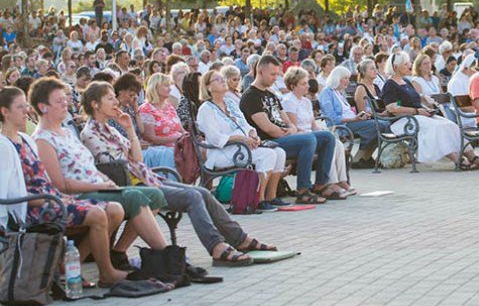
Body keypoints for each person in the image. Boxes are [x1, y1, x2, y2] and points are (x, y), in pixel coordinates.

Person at [80, 81, 274, 265]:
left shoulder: (111, 130)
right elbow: (116, 167)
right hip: (129, 185)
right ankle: (216, 246)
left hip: (143, 177)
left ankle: (240, 239)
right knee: (192, 196)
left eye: (115, 97)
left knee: (204, 193)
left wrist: (130, 129)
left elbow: (137, 159)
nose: (116, 102)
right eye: (110, 98)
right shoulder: (90, 133)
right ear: (95, 104)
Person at [29, 77, 169, 271]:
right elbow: (61, 185)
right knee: (133, 197)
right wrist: (101, 185)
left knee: (155, 194)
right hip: (77, 194)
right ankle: (168, 257)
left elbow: (89, 166)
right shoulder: (42, 139)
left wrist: (106, 181)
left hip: (98, 185)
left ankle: (91, 258)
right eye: (59, 101)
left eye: (65, 99)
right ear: (43, 107)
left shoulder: (67, 133)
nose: (66, 103)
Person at [0, 86, 129, 287]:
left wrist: (58, 194)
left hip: (51, 197)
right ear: (4, 112)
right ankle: (107, 272)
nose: (27, 111)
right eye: (20, 107)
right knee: (97, 214)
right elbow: (6, 193)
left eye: (26, 106)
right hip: (32, 207)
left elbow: (44, 177)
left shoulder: (25, 139)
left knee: (115, 209)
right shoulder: (3, 145)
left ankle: (68, 265)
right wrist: (46, 198)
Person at [240, 54, 335, 205]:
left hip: (285, 136)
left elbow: (286, 119)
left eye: (277, 74)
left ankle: (320, 185)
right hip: (269, 141)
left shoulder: (271, 94)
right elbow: (267, 128)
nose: (275, 78)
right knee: (308, 139)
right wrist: (289, 131)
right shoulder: (250, 96)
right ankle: (303, 190)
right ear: (260, 72)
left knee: (327, 137)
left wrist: (291, 128)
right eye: (272, 74)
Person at [197, 69, 287, 211]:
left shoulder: (230, 103)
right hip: (222, 152)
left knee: (280, 152)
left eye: (222, 78)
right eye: (218, 80)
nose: (222, 81)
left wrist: (252, 135)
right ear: (208, 87)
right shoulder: (206, 109)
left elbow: (245, 124)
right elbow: (215, 138)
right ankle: (258, 200)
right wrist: (241, 138)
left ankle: (271, 196)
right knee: (268, 155)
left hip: (240, 147)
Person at [381, 52, 479, 170]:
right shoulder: (390, 85)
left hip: (418, 116)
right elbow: (392, 108)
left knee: (451, 125)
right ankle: (457, 160)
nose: (409, 66)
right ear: (395, 67)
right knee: (437, 128)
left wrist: (423, 98)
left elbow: (411, 97)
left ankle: (473, 157)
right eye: (405, 64)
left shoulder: (406, 81)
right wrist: (416, 111)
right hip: (403, 120)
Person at [282, 68, 354, 196]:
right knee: (327, 140)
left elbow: (313, 125)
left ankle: (340, 180)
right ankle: (328, 183)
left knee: (335, 142)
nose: (307, 86)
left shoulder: (306, 102)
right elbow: (293, 127)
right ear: (293, 86)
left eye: (307, 83)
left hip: (311, 135)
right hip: (300, 137)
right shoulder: (288, 101)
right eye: (303, 84)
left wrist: (323, 131)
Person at [319, 65, 388, 167]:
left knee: (385, 123)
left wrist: (360, 116)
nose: (348, 81)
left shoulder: (339, 92)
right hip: (342, 126)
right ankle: (359, 158)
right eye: (345, 78)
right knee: (379, 125)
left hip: (352, 121)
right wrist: (354, 119)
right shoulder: (326, 92)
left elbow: (348, 111)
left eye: (348, 78)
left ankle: (365, 157)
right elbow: (332, 119)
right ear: (337, 78)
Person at [138, 73, 181, 170]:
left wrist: (189, 137)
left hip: (178, 145)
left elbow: (181, 130)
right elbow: (151, 139)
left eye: (169, 85)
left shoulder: (169, 106)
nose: (170, 89)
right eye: (166, 85)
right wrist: (176, 139)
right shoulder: (146, 109)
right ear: (155, 87)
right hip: (161, 150)